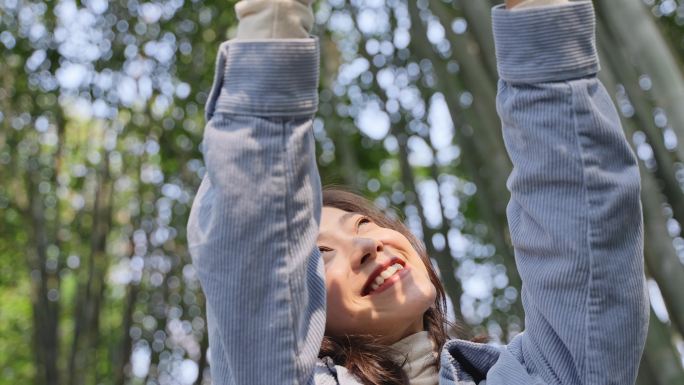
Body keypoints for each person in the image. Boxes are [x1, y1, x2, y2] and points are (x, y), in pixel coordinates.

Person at [187, 0, 649, 383]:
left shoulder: (535, 374)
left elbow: (584, 235)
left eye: (366, 225)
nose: (367, 245)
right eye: (323, 253)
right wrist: (275, 20)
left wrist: (536, 11)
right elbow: (254, 249)